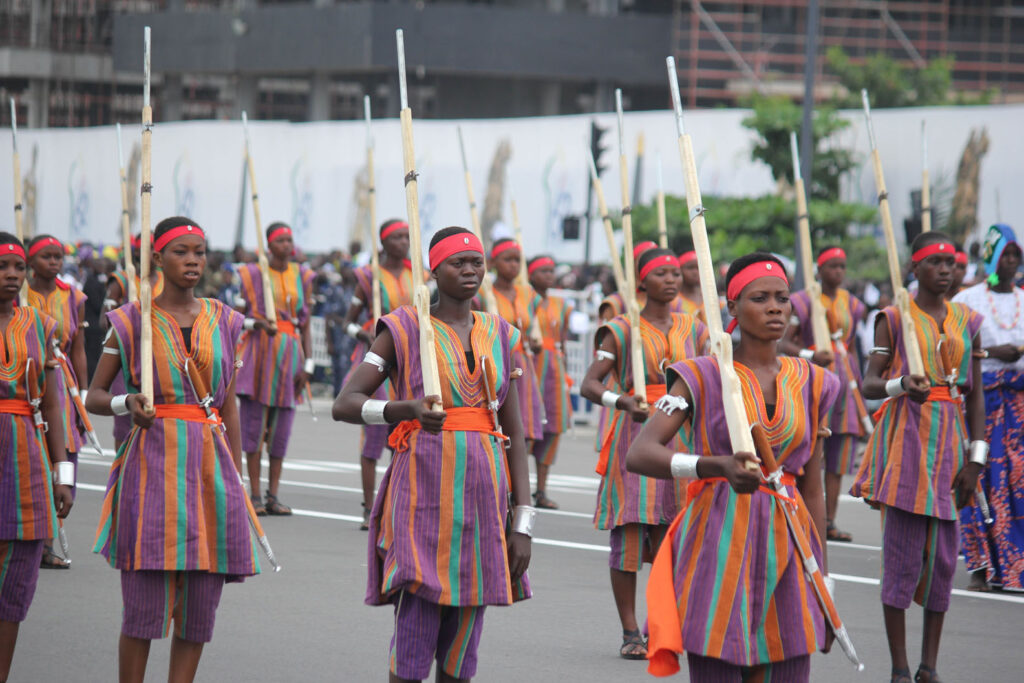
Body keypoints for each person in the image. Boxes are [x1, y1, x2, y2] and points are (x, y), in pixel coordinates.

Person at [626, 252, 838, 681]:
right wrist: (715, 466)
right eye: (760, 298)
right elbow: (641, 452)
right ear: (732, 307)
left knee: (788, 663)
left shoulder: (815, 381)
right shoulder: (699, 375)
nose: (776, 307)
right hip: (718, 541)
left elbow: (812, 487)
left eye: (782, 297)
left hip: (790, 544)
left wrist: (824, 581)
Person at [333, 226, 532, 683]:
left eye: (475, 262)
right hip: (422, 496)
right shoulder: (403, 328)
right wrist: (404, 409)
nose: (469, 270)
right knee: (415, 635)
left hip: (484, 504)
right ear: (434, 270)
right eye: (457, 263)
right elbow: (346, 403)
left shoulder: (500, 333)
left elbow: (516, 433)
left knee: (463, 650)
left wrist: (522, 522)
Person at [86, 217, 260, 683]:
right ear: (158, 258)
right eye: (181, 251)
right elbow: (94, 396)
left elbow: (228, 404)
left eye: (199, 252)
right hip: (152, 467)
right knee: (143, 604)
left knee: (201, 606)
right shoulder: (129, 321)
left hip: (212, 470)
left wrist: (238, 477)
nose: (193, 261)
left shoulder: (226, 320)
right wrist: (128, 402)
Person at [850, 231, 984, 683]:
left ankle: (930, 665)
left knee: (944, 561)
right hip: (906, 441)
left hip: (951, 445)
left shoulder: (968, 319)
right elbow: (869, 383)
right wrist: (901, 384)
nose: (946, 270)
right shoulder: (892, 317)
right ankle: (901, 666)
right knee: (902, 557)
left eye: (952, 262)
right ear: (915, 268)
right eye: (935, 262)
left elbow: (975, 392)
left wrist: (976, 460)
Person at [579, 247, 708, 661]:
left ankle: (664, 625)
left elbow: (711, 377)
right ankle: (631, 630)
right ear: (642, 282)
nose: (671, 280)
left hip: (683, 433)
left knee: (677, 536)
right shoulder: (620, 329)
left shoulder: (696, 328)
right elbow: (590, 384)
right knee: (630, 536)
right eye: (662, 274)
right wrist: (621, 401)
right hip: (634, 435)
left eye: (675, 273)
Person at [0, 233, 74, 682]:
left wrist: (62, 471)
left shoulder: (40, 325)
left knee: (15, 584)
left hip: (25, 455)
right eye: (2, 268)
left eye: (16, 268)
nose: (11, 276)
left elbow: (51, 404)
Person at [953, 223, 1024, 592]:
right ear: (992, 257)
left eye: (1016, 255)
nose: (1011, 262)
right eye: (1004, 255)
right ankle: (982, 565)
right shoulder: (968, 300)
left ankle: (1016, 567)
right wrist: (992, 353)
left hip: (1019, 407)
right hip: (982, 403)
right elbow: (954, 350)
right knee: (981, 480)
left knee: (1017, 483)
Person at [781, 245, 868, 542]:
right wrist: (809, 353)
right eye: (833, 266)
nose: (839, 272)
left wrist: (859, 380)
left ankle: (829, 520)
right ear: (819, 270)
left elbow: (853, 345)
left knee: (840, 457)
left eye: (843, 266)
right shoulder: (802, 302)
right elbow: (784, 343)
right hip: (812, 384)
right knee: (810, 452)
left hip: (846, 385)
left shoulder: (853, 304)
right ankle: (805, 514)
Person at [234, 222, 314, 516]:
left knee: (281, 430)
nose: (287, 245)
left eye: (290, 239)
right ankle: (253, 494)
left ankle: (273, 495)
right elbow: (236, 318)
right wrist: (258, 324)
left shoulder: (303, 276)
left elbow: (304, 323)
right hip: (259, 352)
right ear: (269, 245)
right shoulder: (252, 274)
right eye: (281, 240)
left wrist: (308, 364)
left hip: (290, 355)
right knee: (254, 428)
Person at [340, 219, 413, 529]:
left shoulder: (417, 274)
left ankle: (395, 504)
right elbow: (348, 322)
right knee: (373, 429)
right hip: (377, 358)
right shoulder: (368, 277)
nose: (403, 242)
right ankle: (368, 507)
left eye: (406, 236)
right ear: (383, 243)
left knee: (407, 429)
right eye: (396, 237)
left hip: (409, 358)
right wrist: (365, 335)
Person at [25, 234, 89, 570]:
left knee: (63, 453)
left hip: (62, 383)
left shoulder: (74, 296)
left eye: (58, 256)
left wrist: (84, 393)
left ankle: (48, 542)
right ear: (31, 261)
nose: (54, 262)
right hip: (25, 376)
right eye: (46, 257)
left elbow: (77, 347)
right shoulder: (21, 292)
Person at [105, 234, 164, 451]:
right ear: (136, 252)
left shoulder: (167, 281)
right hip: (127, 354)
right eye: (144, 249)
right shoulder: (122, 280)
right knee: (124, 413)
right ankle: (122, 465)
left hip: (159, 354)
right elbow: (106, 318)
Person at [489, 238, 545, 453]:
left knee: (526, 426)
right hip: (497, 363)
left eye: (517, 260)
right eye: (507, 260)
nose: (513, 265)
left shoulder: (529, 294)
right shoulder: (485, 294)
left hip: (523, 365)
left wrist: (533, 341)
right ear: (493, 262)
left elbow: (532, 328)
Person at [527, 255, 574, 509]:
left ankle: (541, 490)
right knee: (526, 430)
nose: (549, 275)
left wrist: (564, 371)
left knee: (552, 428)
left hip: (553, 372)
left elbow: (563, 340)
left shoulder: (562, 305)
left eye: (551, 271)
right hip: (530, 368)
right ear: (531, 274)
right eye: (543, 271)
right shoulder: (523, 300)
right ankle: (516, 489)